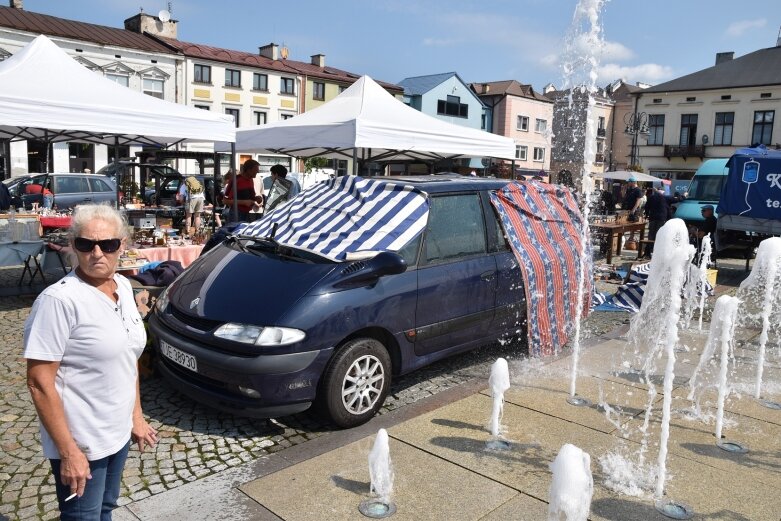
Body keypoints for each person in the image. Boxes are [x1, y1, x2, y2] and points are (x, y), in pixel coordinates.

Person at [23, 204, 157, 520]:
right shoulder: (59, 301)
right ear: (74, 247)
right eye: (86, 244)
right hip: (83, 440)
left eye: (108, 245)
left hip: (118, 431)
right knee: (83, 516)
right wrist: (69, 451)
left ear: (122, 245)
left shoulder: (123, 287)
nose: (97, 253)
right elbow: (39, 383)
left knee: (107, 508)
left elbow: (128, 357)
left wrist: (135, 417)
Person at [642, 187, 670, 258]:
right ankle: (657, 252)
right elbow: (676, 200)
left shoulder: (651, 197)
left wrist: (646, 215)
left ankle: (649, 251)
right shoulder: (665, 198)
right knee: (659, 235)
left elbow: (647, 207)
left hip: (653, 218)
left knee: (651, 235)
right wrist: (684, 196)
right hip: (661, 219)